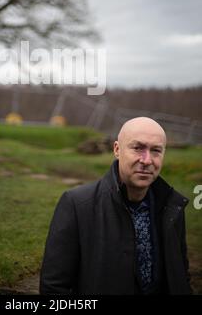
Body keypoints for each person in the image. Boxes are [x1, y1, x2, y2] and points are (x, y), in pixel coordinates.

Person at [39, 117, 192, 295]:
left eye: (156, 150)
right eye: (138, 148)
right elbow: (53, 287)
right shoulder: (77, 205)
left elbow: (181, 275)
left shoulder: (172, 206)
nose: (147, 160)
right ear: (117, 150)